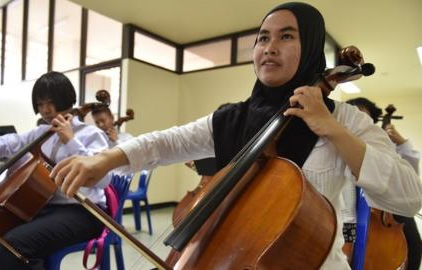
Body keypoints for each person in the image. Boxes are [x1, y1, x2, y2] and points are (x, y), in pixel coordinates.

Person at [50, 3, 422, 269]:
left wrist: (333, 129)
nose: (269, 47)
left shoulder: (347, 121)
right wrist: (104, 158)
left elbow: (408, 197)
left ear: (309, 48)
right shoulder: (233, 117)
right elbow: (168, 141)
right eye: (262, 38)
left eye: (286, 36)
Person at [0, 71, 111, 269]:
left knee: (14, 246)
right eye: (40, 104)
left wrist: (71, 141)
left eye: (50, 102)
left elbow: (103, 180)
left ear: (66, 98)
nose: (45, 110)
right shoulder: (41, 133)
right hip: (47, 208)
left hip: (83, 212)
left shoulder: (91, 134)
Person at [346, 97, 422, 270]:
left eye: (363, 117)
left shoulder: (382, 144)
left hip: (389, 214)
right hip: (349, 215)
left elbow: (410, 177)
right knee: (346, 251)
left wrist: (401, 142)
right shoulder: (338, 144)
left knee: (413, 244)